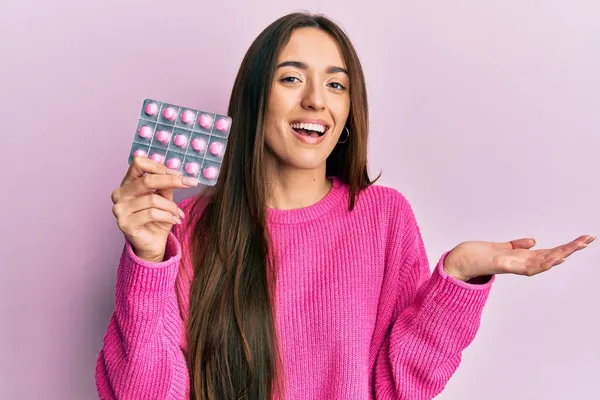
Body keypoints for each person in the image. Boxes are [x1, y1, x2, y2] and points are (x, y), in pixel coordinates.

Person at [95, 12, 595, 400]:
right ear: (254, 99)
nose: (317, 100)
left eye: (336, 84)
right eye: (291, 78)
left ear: (349, 111)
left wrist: (458, 275)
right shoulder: (192, 228)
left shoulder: (383, 217)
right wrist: (147, 261)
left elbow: (396, 387)